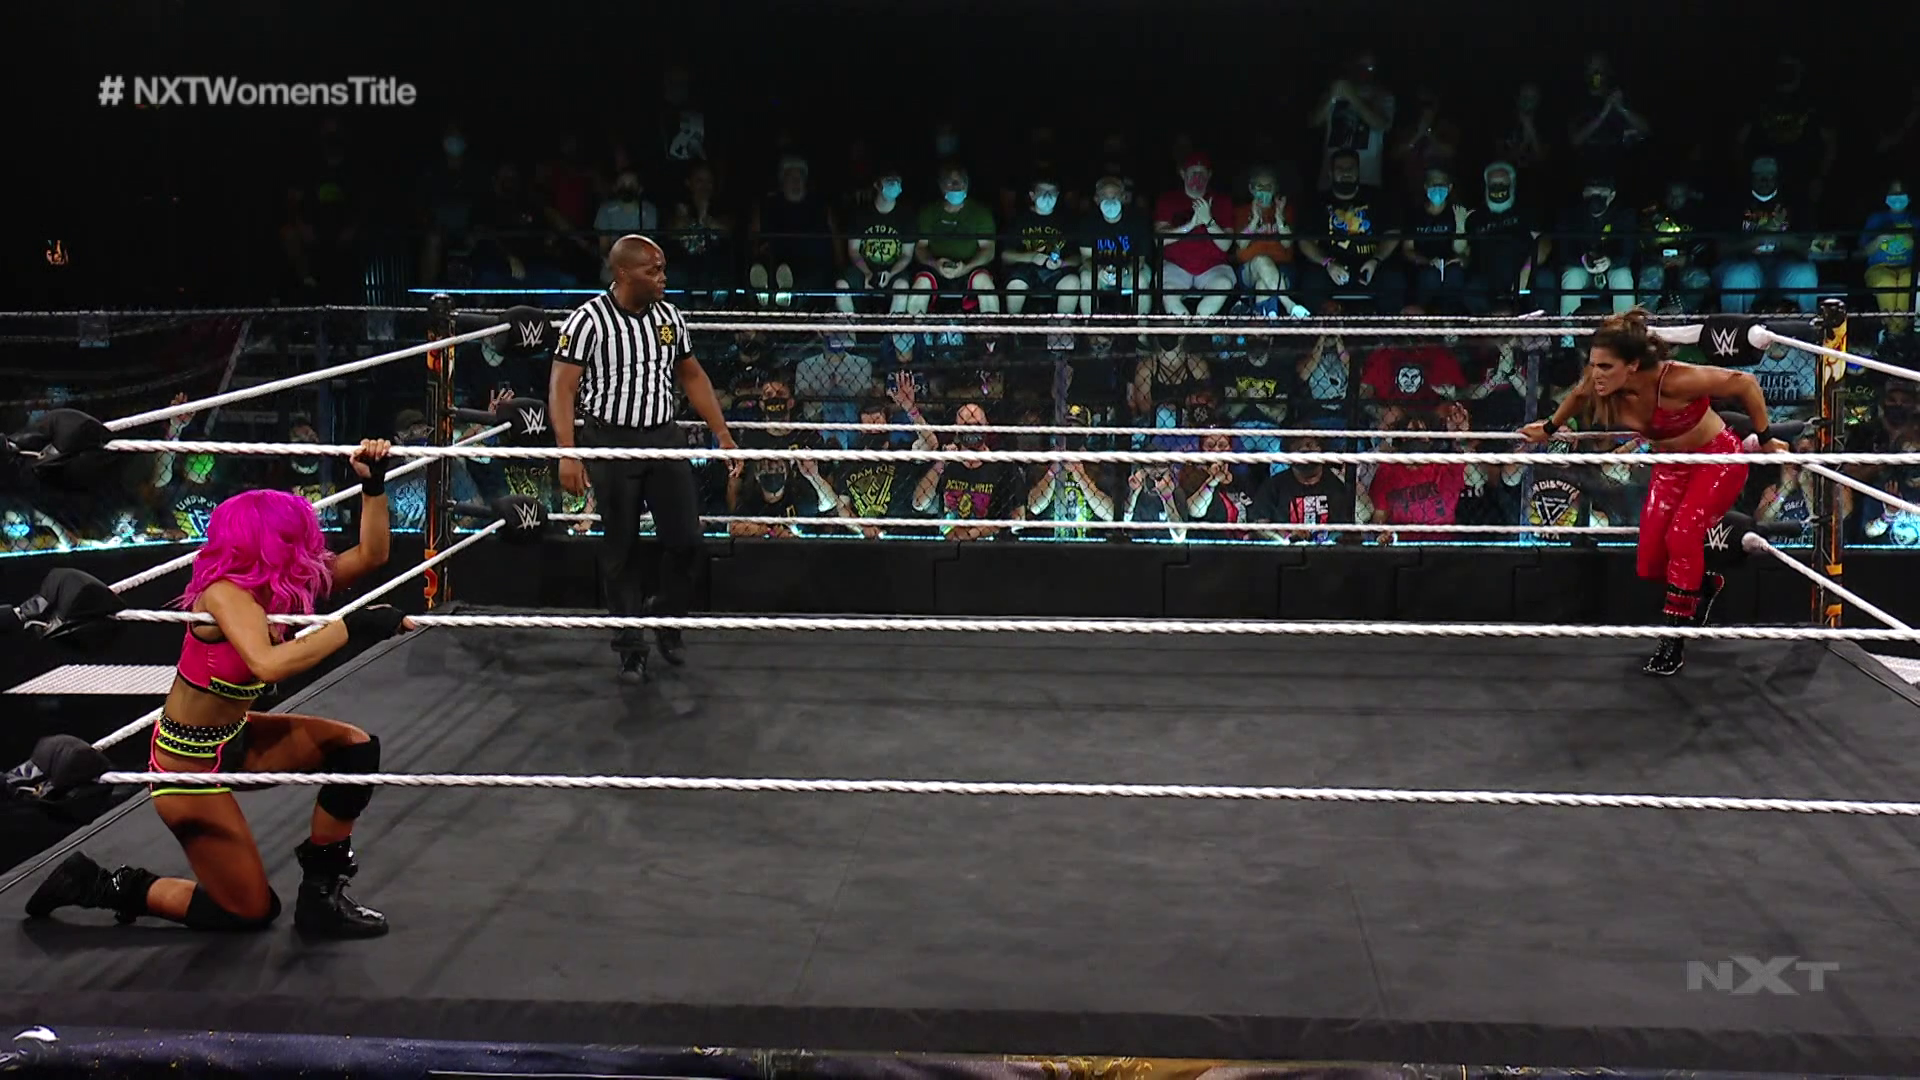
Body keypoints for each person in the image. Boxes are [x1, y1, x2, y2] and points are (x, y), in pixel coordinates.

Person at [25, 443, 414, 937]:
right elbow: (267, 663)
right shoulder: (225, 595)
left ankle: (322, 897)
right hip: (186, 768)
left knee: (355, 750)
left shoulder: (284, 585)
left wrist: (373, 485)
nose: (311, 543)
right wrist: (352, 627)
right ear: (274, 540)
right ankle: (99, 884)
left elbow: (373, 555)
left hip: (232, 738)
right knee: (249, 911)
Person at [1521, 309, 1786, 676]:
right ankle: (1704, 584)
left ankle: (1673, 639)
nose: (1596, 374)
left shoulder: (1673, 380)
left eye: (1605, 366)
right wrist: (1549, 429)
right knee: (1650, 559)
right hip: (1670, 465)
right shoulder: (1600, 384)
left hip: (1717, 460)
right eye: (1593, 365)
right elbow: (1578, 396)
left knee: (1683, 535)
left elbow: (1744, 383)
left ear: (1631, 366)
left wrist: (1767, 439)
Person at [552, 234, 736, 681]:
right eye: (653, 270)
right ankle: (630, 646)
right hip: (610, 440)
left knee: (688, 540)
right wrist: (567, 454)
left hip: (663, 437)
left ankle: (665, 615)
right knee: (621, 548)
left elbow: (691, 375)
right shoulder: (588, 321)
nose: (662, 278)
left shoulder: (669, 317)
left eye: (663, 269)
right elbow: (562, 387)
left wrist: (722, 433)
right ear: (623, 273)